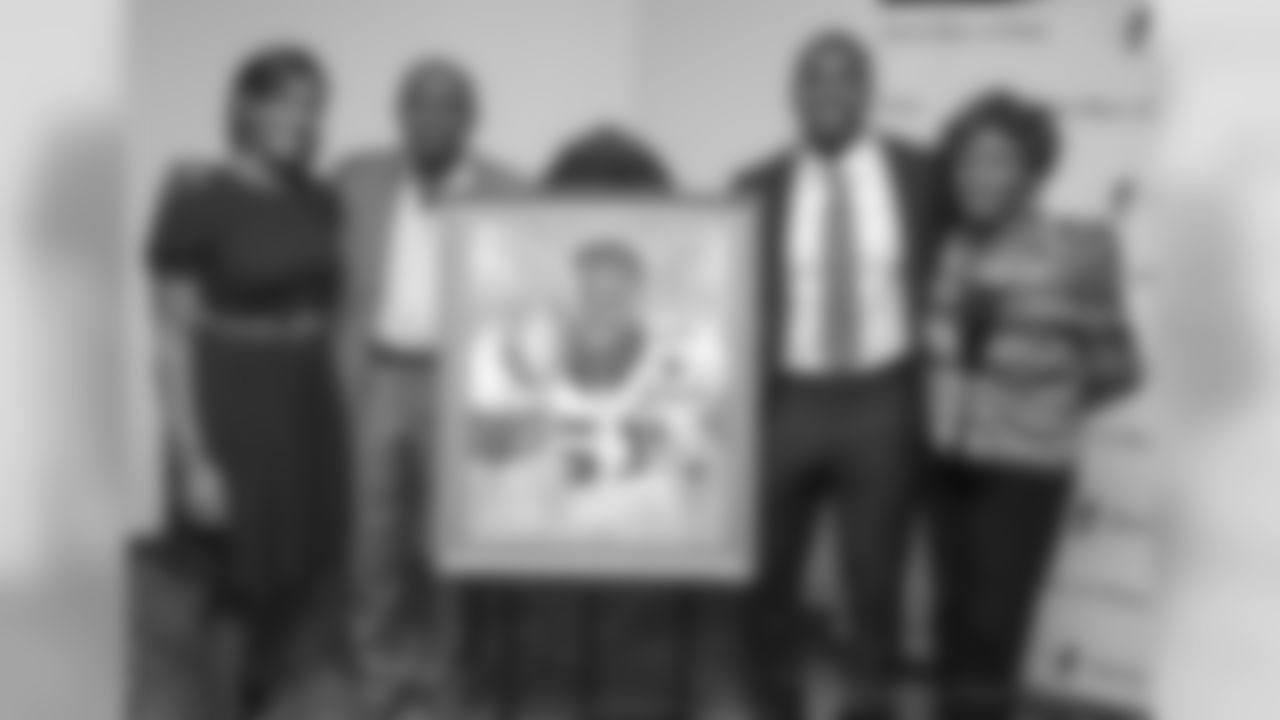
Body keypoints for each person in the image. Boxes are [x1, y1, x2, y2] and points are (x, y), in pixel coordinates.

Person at [732, 29, 941, 720]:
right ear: (793, 94)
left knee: (874, 584)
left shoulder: (922, 175)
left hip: (883, 397)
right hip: (787, 399)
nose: (829, 92)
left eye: (844, 77)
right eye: (813, 79)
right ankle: (771, 705)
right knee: (767, 577)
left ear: (867, 90)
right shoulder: (753, 186)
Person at [145, 44, 349, 715]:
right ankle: (221, 701)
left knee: (299, 565)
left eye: (313, 105)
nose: (301, 118)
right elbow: (171, 335)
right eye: (284, 101)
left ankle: (259, 681)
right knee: (235, 572)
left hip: (306, 395)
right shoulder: (198, 195)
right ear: (246, 107)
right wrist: (193, 456)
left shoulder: (319, 199)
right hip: (232, 393)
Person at [924, 91, 1140, 720]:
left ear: (1033, 169)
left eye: (998, 159)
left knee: (995, 632)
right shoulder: (949, 246)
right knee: (950, 622)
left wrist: (1044, 404)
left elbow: (1119, 369)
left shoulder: (1080, 251)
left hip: (1026, 470)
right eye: (967, 160)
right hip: (948, 461)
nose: (978, 175)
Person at [332, 55, 520, 716]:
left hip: (462, 384)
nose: (431, 117)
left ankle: (443, 672)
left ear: (471, 118)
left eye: (448, 104)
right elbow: (287, 204)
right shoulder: (357, 179)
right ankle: (379, 667)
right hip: (380, 376)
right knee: (373, 535)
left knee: (451, 537)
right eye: (417, 102)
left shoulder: (509, 189)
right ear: (400, 114)